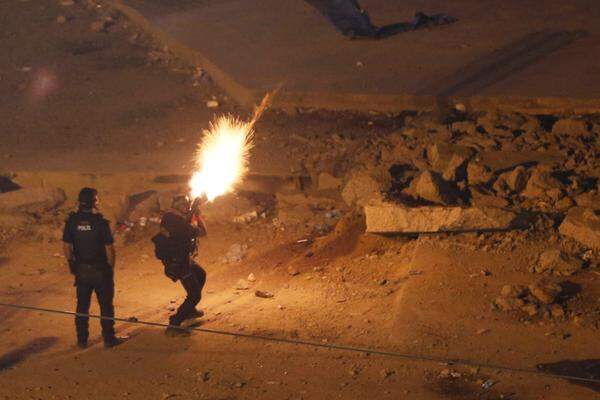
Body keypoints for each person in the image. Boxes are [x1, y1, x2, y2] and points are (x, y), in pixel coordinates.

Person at [63, 187, 124, 349]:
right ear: (93, 202)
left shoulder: (72, 221)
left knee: (82, 306)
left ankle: (82, 341)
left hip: (82, 270)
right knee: (106, 306)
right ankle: (109, 339)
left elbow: (67, 246)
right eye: (96, 199)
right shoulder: (100, 223)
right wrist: (110, 269)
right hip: (100, 270)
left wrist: (72, 264)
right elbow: (109, 250)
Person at [152, 195, 207, 336]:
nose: (186, 206)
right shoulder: (178, 223)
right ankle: (174, 323)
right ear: (175, 206)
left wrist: (191, 213)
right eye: (182, 204)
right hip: (179, 263)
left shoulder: (169, 217)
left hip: (179, 259)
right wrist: (197, 215)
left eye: (187, 204)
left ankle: (189, 310)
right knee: (195, 295)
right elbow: (203, 232)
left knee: (200, 274)